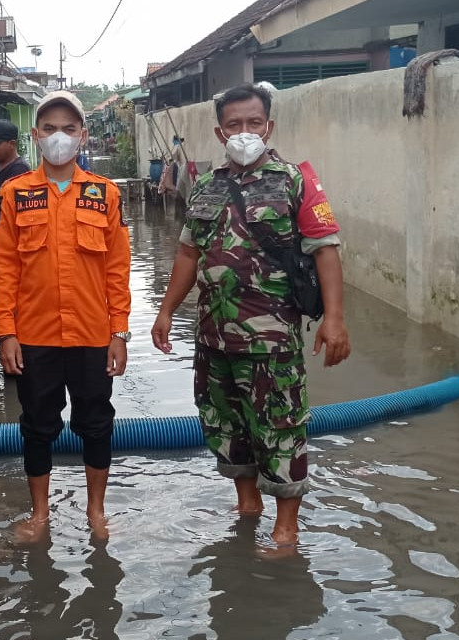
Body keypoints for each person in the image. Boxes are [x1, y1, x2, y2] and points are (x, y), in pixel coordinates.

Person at [150, 83, 351, 550]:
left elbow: (326, 251)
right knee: (226, 425)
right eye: (235, 125)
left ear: (270, 126)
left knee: (280, 426)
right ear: (221, 133)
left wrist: (335, 318)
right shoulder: (205, 184)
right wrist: (165, 312)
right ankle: (248, 504)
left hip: (271, 338)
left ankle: (286, 529)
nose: (245, 132)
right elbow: (186, 252)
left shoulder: (295, 181)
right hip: (214, 338)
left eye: (254, 123)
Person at [0, 90, 132, 543]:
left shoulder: (104, 194)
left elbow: (117, 269)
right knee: (36, 425)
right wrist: (6, 334)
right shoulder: (15, 194)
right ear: (35, 136)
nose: (59, 137)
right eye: (49, 128)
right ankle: (39, 515)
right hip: (35, 336)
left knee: (96, 422)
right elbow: (4, 269)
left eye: (69, 129)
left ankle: (96, 512)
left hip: (92, 335)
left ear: (82, 135)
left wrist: (119, 333)